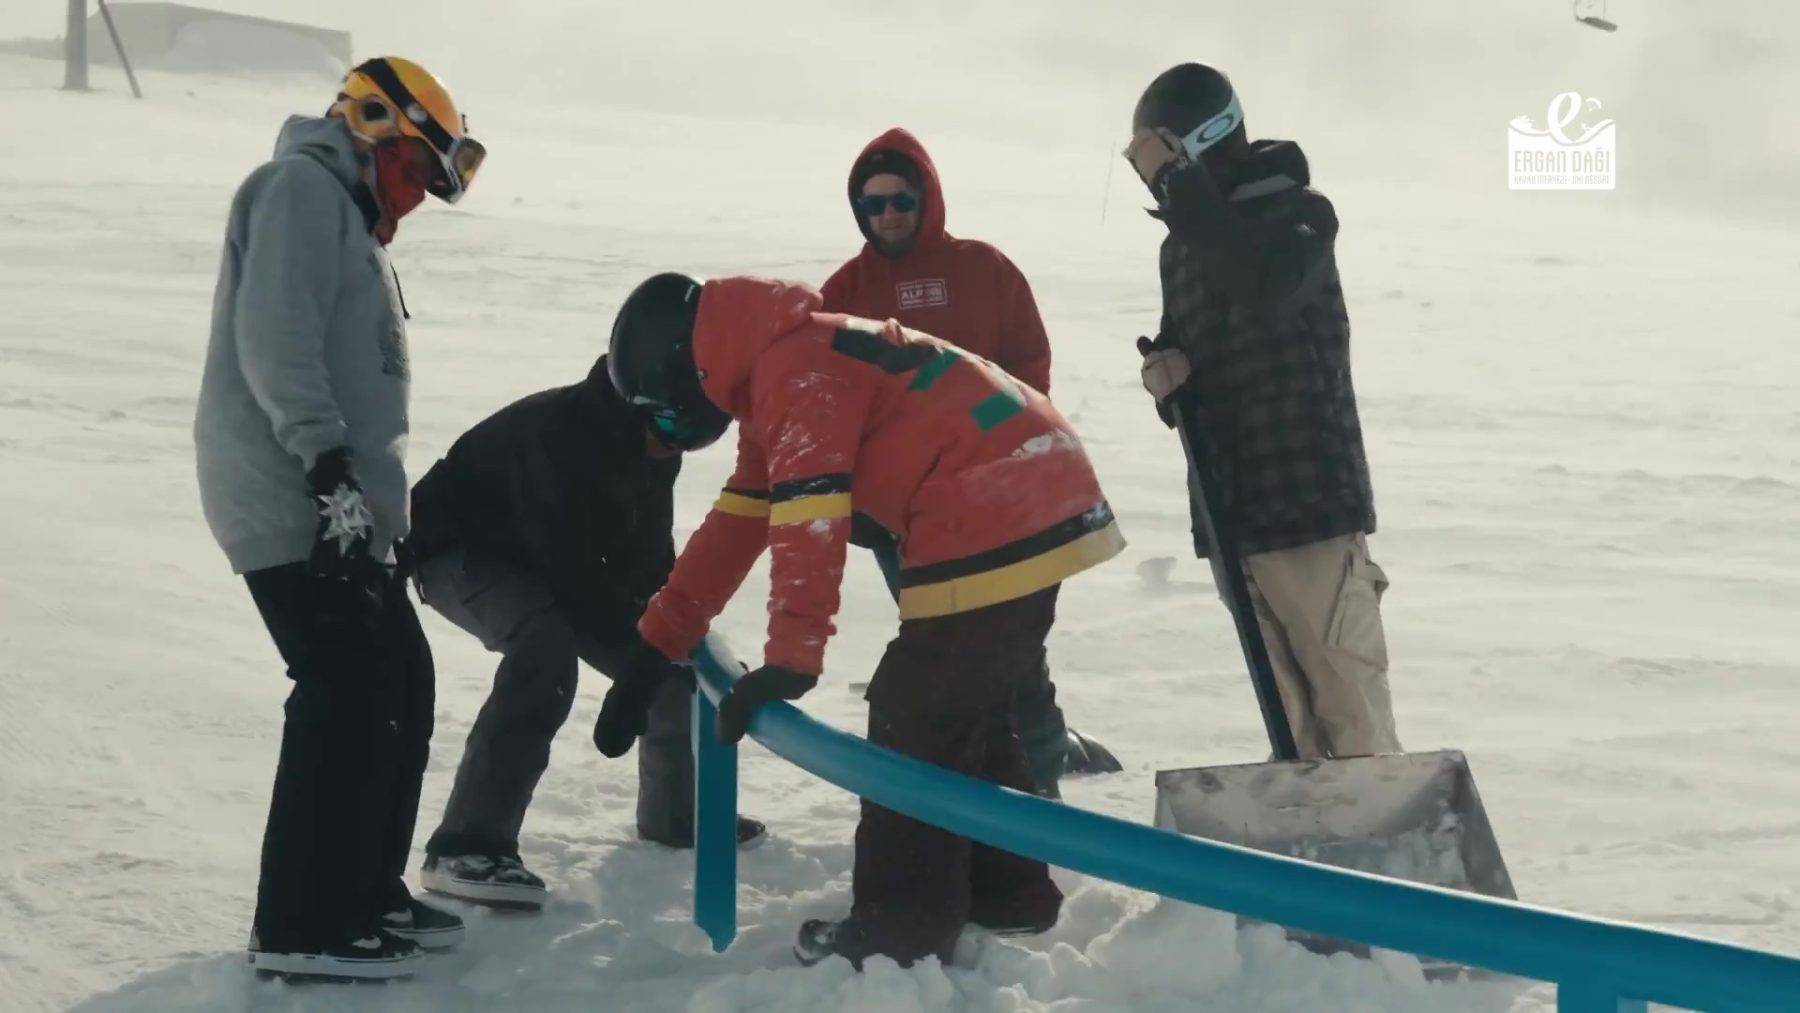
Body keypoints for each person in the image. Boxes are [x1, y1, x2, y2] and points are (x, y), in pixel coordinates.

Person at [592, 272, 1126, 969]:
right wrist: (652, 647)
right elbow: (739, 522)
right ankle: (1007, 890)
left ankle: (900, 927)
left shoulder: (794, 372)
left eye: (664, 413)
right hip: (1029, 477)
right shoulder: (783, 360)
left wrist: (792, 657)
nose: (670, 428)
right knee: (963, 705)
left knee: (916, 707)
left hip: (996, 490)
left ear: (682, 369)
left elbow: (811, 510)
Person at [193, 56, 484, 980]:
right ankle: (302, 920)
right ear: (366, 127)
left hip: (341, 504)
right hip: (292, 496)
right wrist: (327, 472)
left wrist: (366, 502)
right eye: (410, 172)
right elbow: (275, 337)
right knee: (346, 689)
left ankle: (364, 889)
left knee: (401, 677)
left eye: (430, 188)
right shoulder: (300, 191)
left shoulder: (348, 221)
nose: (416, 200)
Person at [403, 354, 766, 911]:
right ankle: (466, 846)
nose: (678, 446)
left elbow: (646, 554)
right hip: (460, 549)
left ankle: (675, 818)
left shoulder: (651, 443)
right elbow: (569, 575)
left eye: (699, 436)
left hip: (553, 560)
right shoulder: (557, 436)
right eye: (673, 426)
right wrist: (637, 661)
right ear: (635, 399)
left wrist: (668, 631)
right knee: (543, 652)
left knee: (672, 663)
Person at [818, 128, 1118, 791]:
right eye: (872, 205)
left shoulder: (985, 270)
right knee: (945, 656)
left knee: (1013, 654)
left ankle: (1037, 785)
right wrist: (866, 499)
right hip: (909, 521)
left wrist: (976, 433)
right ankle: (972, 793)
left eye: (901, 199)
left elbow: (1027, 376)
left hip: (1004, 506)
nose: (889, 215)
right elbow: (832, 406)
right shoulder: (844, 291)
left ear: (927, 195)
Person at [1125, 62, 1399, 759]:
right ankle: (1308, 850)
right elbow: (1207, 353)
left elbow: (1261, 284)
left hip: (1307, 509)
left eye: (1156, 159)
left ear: (1199, 144)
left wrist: (1180, 190)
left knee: (1351, 712)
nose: (1148, 178)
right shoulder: (1182, 248)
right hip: (1232, 516)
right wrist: (1172, 384)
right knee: (1291, 727)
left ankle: (1380, 857)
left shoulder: (1299, 216)